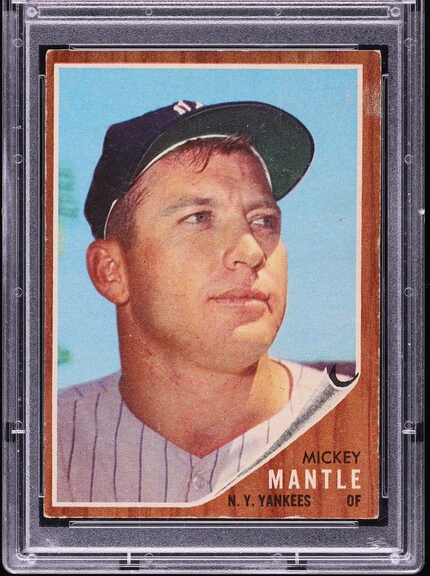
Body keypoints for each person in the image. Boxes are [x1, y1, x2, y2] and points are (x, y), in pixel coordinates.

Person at [56, 99, 354, 505]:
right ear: (112, 271)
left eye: (263, 221)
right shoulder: (44, 442)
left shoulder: (365, 419)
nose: (251, 251)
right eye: (198, 218)